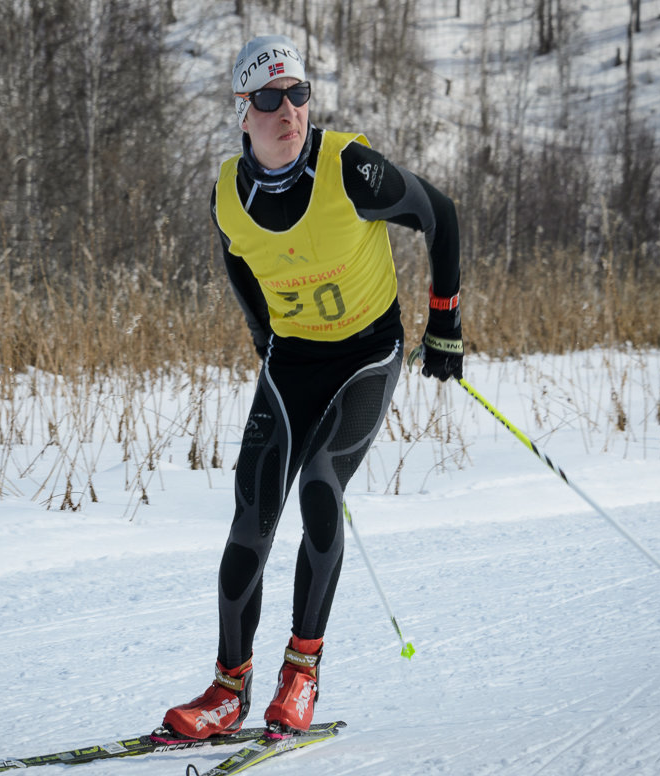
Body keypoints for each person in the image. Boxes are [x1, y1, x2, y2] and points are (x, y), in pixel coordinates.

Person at [161, 34, 462, 739]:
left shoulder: (349, 168)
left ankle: (301, 675)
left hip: (365, 354)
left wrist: (443, 321)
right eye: (268, 97)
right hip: (292, 362)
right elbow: (237, 256)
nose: (287, 108)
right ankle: (227, 689)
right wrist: (261, 332)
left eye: (297, 93)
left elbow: (437, 213)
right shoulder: (227, 196)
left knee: (320, 486)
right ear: (243, 112)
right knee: (251, 517)